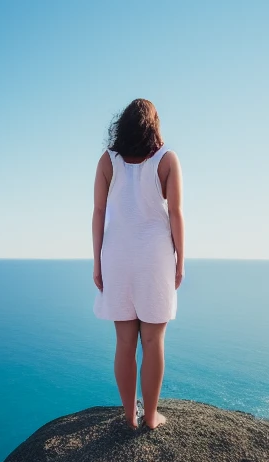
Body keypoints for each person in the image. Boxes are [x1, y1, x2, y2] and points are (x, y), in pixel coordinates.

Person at [92, 98, 185, 430]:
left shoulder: (108, 161)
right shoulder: (166, 160)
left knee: (125, 342)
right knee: (153, 341)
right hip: (155, 256)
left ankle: (130, 418)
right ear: (154, 123)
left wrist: (97, 263)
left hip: (116, 255)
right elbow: (175, 213)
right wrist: (180, 261)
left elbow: (99, 214)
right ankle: (150, 417)